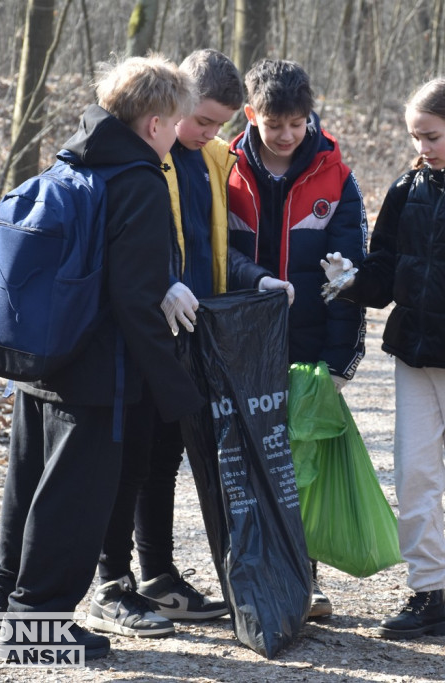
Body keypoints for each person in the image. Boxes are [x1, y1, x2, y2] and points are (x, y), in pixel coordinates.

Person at [0, 54, 204, 661]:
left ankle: (4, 602)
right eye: (177, 123)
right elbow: (136, 301)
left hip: (44, 355)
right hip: (100, 372)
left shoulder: (72, 161)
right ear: (155, 124)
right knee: (75, 498)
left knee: (27, 483)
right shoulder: (138, 182)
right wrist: (178, 391)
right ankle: (37, 627)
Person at [88, 49, 294, 639]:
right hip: (142, 333)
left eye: (221, 124)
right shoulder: (137, 159)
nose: (210, 133)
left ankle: (158, 576)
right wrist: (161, 282)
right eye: (201, 120)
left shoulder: (213, 158)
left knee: (164, 459)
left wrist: (257, 279)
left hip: (195, 335)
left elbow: (214, 244)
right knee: (128, 460)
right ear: (173, 104)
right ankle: (111, 582)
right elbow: (124, 248)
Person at [321, 77, 445, 640]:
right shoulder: (408, 186)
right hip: (413, 356)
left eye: (432, 136)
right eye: (415, 137)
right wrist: (352, 281)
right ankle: (427, 593)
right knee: (415, 477)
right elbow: (384, 272)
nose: (421, 147)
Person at [226, 58, 367, 618]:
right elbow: (214, 251)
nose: (287, 135)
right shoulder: (224, 167)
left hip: (308, 350)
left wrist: (340, 360)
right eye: (274, 124)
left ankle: (302, 581)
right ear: (251, 114)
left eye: (297, 123)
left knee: (296, 466)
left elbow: (350, 272)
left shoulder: (336, 175)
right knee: (241, 463)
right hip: (239, 345)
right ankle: (252, 577)